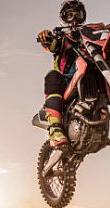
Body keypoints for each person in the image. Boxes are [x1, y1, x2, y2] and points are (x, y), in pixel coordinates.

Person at [37, 0, 86, 147]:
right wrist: (46, 37)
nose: (74, 19)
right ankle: (55, 129)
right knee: (53, 76)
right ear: (64, 18)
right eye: (70, 15)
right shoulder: (61, 37)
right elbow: (51, 45)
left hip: (87, 77)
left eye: (78, 15)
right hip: (66, 80)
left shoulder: (88, 35)